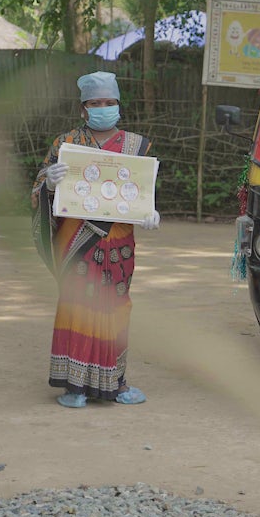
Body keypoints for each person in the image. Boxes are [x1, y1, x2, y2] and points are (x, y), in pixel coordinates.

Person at [31, 71, 160, 408]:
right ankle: (74, 386)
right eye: (95, 103)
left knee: (116, 310)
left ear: (118, 104)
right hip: (77, 242)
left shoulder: (138, 145)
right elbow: (37, 191)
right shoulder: (66, 144)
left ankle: (115, 383)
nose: (103, 108)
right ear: (83, 108)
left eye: (109, 102)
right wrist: (49, 183)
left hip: (118, 245)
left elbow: (142, 190)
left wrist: (150, 212)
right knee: (76, 308)